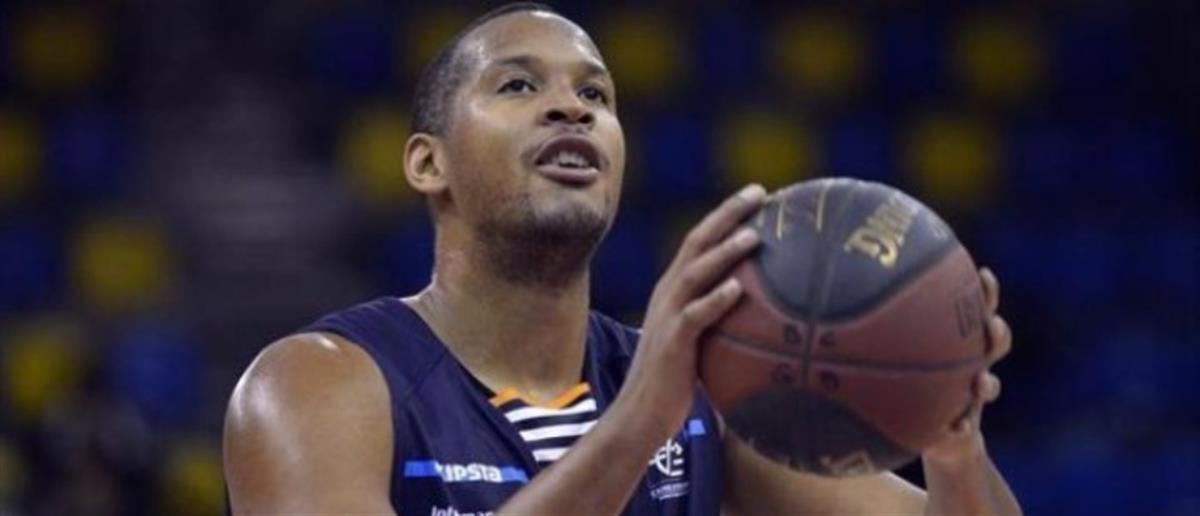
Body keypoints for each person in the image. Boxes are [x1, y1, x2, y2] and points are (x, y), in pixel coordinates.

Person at [223, 3, 1022, 514]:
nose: (570, 107)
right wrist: (639, 422)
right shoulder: (314, 385)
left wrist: (951, 447)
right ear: (429, 163)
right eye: (517, 86)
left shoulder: (704, 401)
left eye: (596, 95)